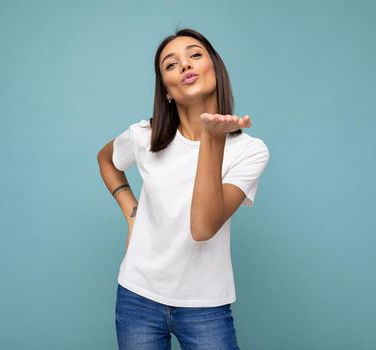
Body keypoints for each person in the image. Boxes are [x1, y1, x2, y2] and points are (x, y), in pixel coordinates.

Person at [97, 28, 270, 350]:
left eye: (195, 55)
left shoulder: (251, 151)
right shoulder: (144, 136)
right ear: (166, 91)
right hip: (137, 296)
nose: (186, 66)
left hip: (205, 306)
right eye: (171, 64)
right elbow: (106, 159)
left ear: (215, 69)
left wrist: (212, 138)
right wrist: (132, 213)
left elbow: (202, 228)